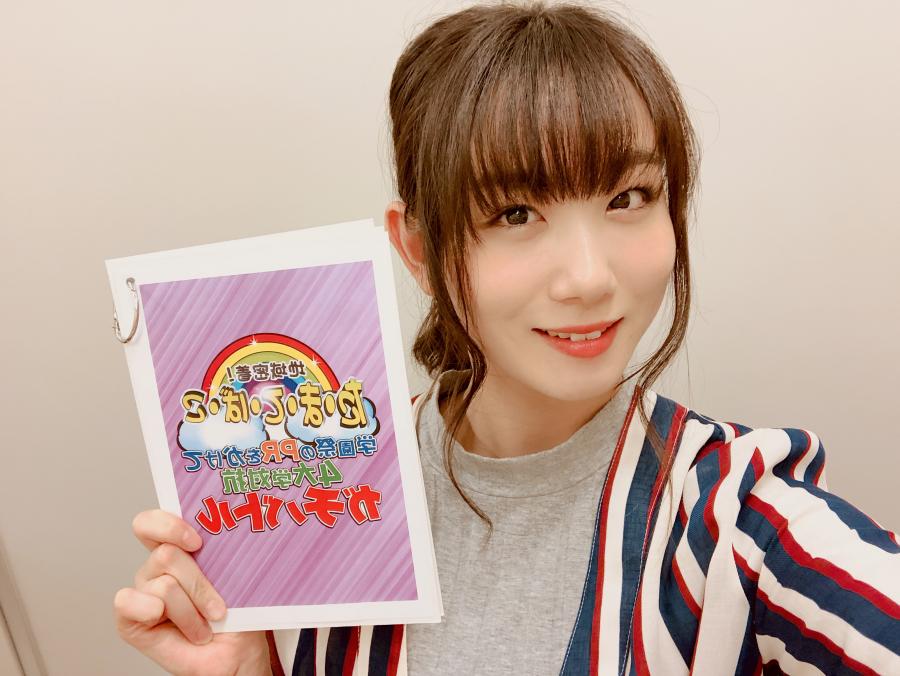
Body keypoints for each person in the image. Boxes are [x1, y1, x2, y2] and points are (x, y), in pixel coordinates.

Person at [113, 2, 900, 674]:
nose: (589, 277)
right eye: (515, 213)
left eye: (629, 196)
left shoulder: (740, 521)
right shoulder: (322, 490)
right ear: (420, 250)